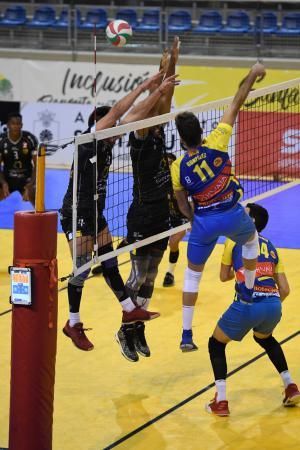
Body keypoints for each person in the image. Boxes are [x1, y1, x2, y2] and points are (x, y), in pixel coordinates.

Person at [60, 71, 179, 352]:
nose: (116, 131)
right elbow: (117, 113)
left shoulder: (108, 143)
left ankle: (128, 309)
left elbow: (130, 118)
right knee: (82, 268)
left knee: (109, 260)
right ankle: (73, 322)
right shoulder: (90, 139)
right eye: (110, 126)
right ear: (99, 126)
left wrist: (156, 92)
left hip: (96, 210)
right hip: (76, 211)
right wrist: (145, 86)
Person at [171, 62, 266, 351]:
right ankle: (248, 290)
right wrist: (251, 74)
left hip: (204, 222)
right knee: (251, 242)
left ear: (181, 138)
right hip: (233, 214)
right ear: (201, 130)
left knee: (192, 276)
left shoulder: (178, 166)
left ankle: (186, 335)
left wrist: (192, 217)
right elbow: (237, 102)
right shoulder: (218, 141)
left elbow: (181, 203)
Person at [116, 37, 181, 363]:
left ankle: (138, 328)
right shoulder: (140, 137)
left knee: (152, 277)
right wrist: (160, 77)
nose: (159, 114)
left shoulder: (157, 132)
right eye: (153, 113)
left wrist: (171, 63)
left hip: (160, 216)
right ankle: (125, 330)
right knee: (137, 276)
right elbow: (156, 103)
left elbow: (165, 99)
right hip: (141, 215)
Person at [206, 203, 300, 416]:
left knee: (216, 343)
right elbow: (285, 289)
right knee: (265, 338)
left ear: (251, 221)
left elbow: (223, 276)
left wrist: (240, 272)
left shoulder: (233, 240)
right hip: (274, 304)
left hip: (250, 303)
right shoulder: (272, 246)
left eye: (245, 213)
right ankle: (290, 384)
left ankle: (220, 400)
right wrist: (268, 304)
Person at [0, 112, 38, 206]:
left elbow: (37, 165)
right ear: (8, 125)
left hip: (26, 178)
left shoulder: (30, 139)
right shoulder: (1, 140)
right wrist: (3, 182)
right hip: (7, 178)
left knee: (36, 198)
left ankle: (43, 220)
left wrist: (31, 184)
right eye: (13, 123)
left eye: (18, 123)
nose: (16, 126)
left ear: (22, 125)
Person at [163, 152, 189, 287]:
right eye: (165, 163)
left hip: (182, 218)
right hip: (166, 217)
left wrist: (193, 219)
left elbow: (193, 200)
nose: (168, 165)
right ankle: (108, 261)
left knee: (173, 242)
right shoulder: (160, 181)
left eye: (170, 163)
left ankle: (170, 273)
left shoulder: (182, 180)